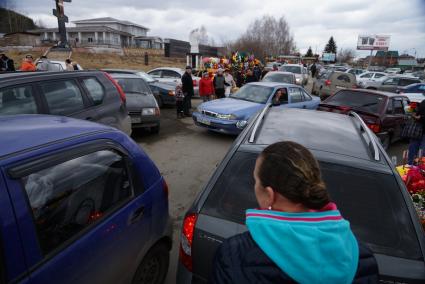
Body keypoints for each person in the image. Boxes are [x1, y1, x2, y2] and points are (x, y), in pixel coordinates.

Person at [213, 141, 378, 284]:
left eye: (256, 181)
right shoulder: (363, 260)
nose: (254, 186)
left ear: (270, 196)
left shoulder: (234, 256)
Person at [408, 100, 425, 164]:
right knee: (421, 152)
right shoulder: (423, 103)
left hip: (417, 130)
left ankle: (411, 166)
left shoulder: (422, 102)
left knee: (413, 149)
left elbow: (416, 114)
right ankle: (417, 167)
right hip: (418, 130)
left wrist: (416, 116)